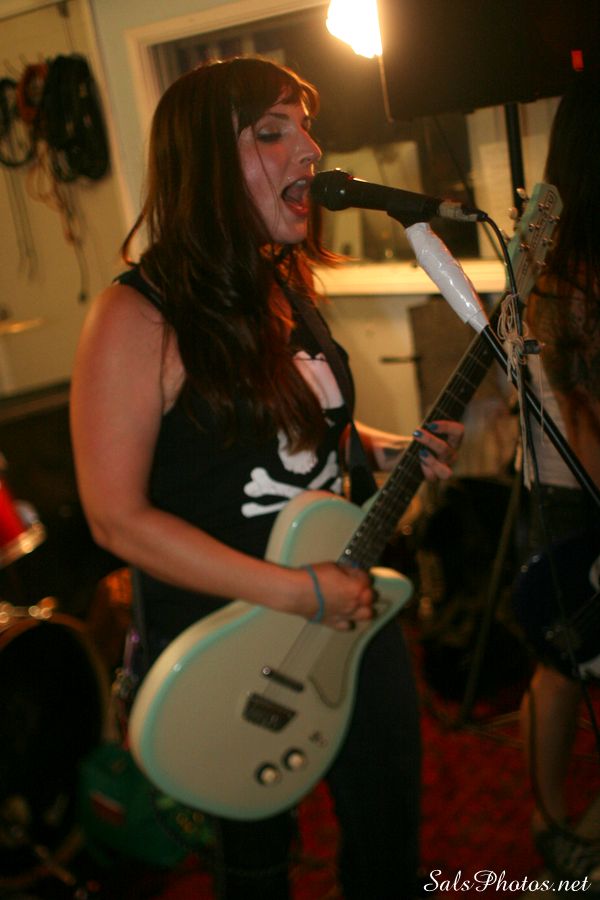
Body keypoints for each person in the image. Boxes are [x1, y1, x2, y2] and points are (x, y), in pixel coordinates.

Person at [70, 56, 464, 899]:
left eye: (306, 129)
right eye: (273, 131)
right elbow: (115, 518)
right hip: (227, 639)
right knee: (255, 869)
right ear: (206, 162)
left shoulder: (282, 284)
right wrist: (293, 591)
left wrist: (389, 448)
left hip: (344, 604)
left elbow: (297, 431)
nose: (311, 150)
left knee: (389, 832)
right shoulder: (137, 314)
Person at [514, 70, 600, 885]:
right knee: (566, 662)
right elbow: (583, 413)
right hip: (575, 486)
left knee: (572, 661)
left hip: (568, 476)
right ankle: (550, 823)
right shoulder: (565, 262)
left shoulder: (552, 240)